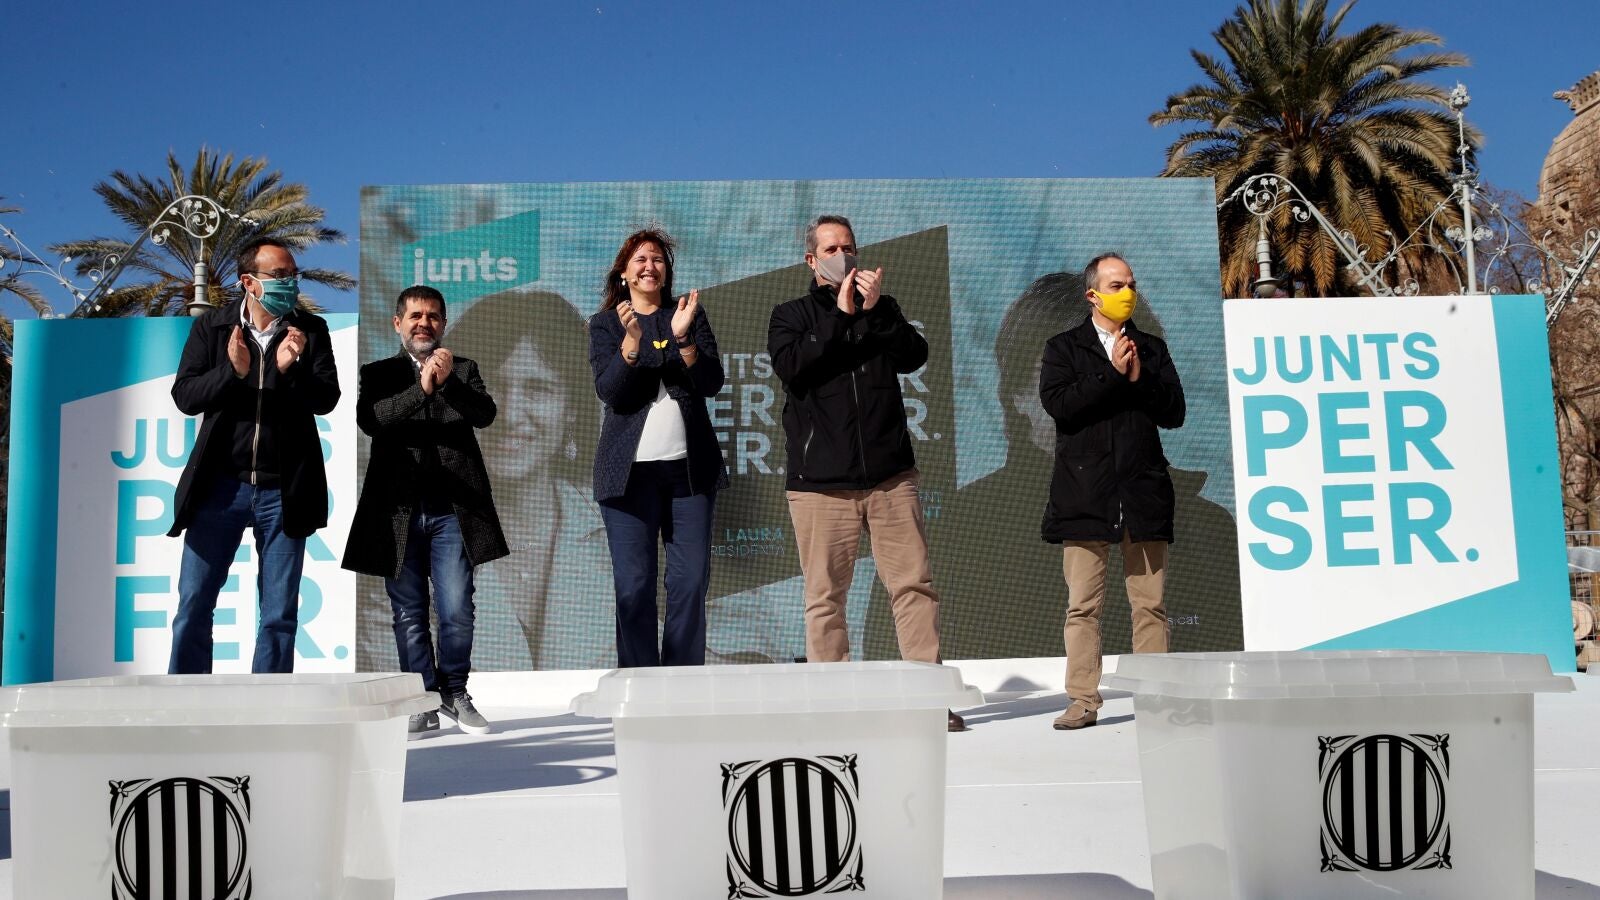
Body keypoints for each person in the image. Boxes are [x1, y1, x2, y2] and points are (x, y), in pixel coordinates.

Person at [768, 214, 963, 732]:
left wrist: (874, 312)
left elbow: (914, 355)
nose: (844, 255)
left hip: (889, 476)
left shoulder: (883, 307)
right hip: (820, 485)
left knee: (913, 586)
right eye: (832, 249)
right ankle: (833, 705)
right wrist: (840, 313)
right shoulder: (791, 314)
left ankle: (928, 699)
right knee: (825, 598)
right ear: (811, 260)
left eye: (849, 246)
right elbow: (793, 367)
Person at [167, 238, 341, 674]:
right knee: (194, 604)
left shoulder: (310, 330)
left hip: (284, 491)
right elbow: (185, 396)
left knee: (279, 615)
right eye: (279, 275)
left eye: (293, 274)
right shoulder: (213, 328)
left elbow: (326, 398)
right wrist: (233, 372)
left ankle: (270, 703)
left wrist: (290, 371)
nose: (290, 283)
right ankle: (185, 701)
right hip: (219, 488)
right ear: (249, 282)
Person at [343, 285, 507, 737]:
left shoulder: (464, 369)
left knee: (456, 608)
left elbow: (485, 415)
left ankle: (455, 692)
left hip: (454, 513)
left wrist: (447, 381)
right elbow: (373, 419)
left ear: (443, 324)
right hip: (396, 513)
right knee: (408, 612)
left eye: (433, 316)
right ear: (398, 323)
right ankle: (422, 700)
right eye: (415, 316)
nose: (424, 323)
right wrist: (422, 388)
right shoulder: (378, 372)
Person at [1040, 252, 1185, 730]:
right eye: (1117, 285)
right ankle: (1083, 699)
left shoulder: (1151, 348)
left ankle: (1156, 700)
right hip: (1084, 494)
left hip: (1143, 492)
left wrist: (1139, 378)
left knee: (1150, 605)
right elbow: (1061, 405)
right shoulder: (1064, 348)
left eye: (1131, 284)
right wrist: (1110, 373)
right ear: (1092, 294)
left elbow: (1174, 412)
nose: (1127, 293)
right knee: (1083, 607)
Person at [446, 289, 612, 670]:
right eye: (489, 387)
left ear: (571, 409)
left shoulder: (621, 530)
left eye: (537, 390)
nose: (509, 414)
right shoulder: (414, 532)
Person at [588, 228, 728, 667]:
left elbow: (711, 382)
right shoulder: (604, 324)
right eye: (641, 259)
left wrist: (683, 339)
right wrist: (631, 344)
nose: (651, 266)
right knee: (633, 587)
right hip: (628, 477)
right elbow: (611, 392)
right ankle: (639, 683)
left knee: (690, 584)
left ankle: (682, 684)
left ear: (667, 271)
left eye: (658, 260)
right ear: (624, 273)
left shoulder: (687, 315)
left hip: (689, 473)